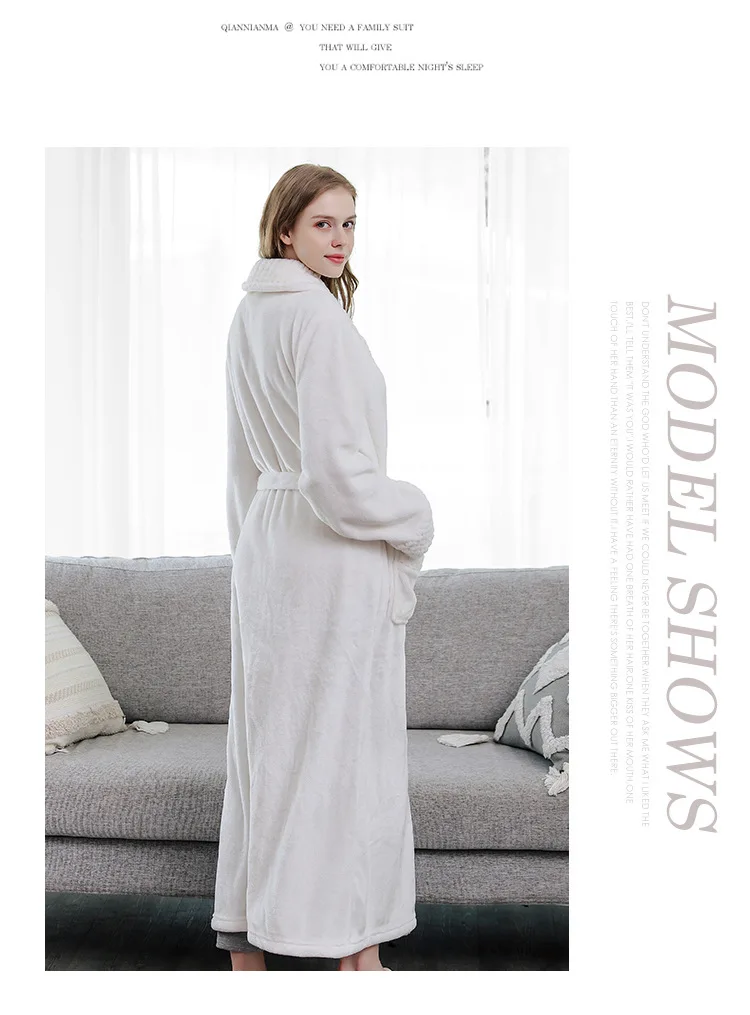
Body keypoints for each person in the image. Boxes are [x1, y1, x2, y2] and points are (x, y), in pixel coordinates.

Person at [210, 164, 434, 971]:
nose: (340, 240)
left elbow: (242, 464)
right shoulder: (319, 321)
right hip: (330, 555)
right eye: (322, 224)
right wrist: (414, 514)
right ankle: (355, 954)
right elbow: (339, 479)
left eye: (349, 223)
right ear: (285, 231)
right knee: (345, 751)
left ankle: (248, 951)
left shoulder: (248, 315)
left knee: (265, 751)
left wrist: (249, 555)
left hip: (269, 546)